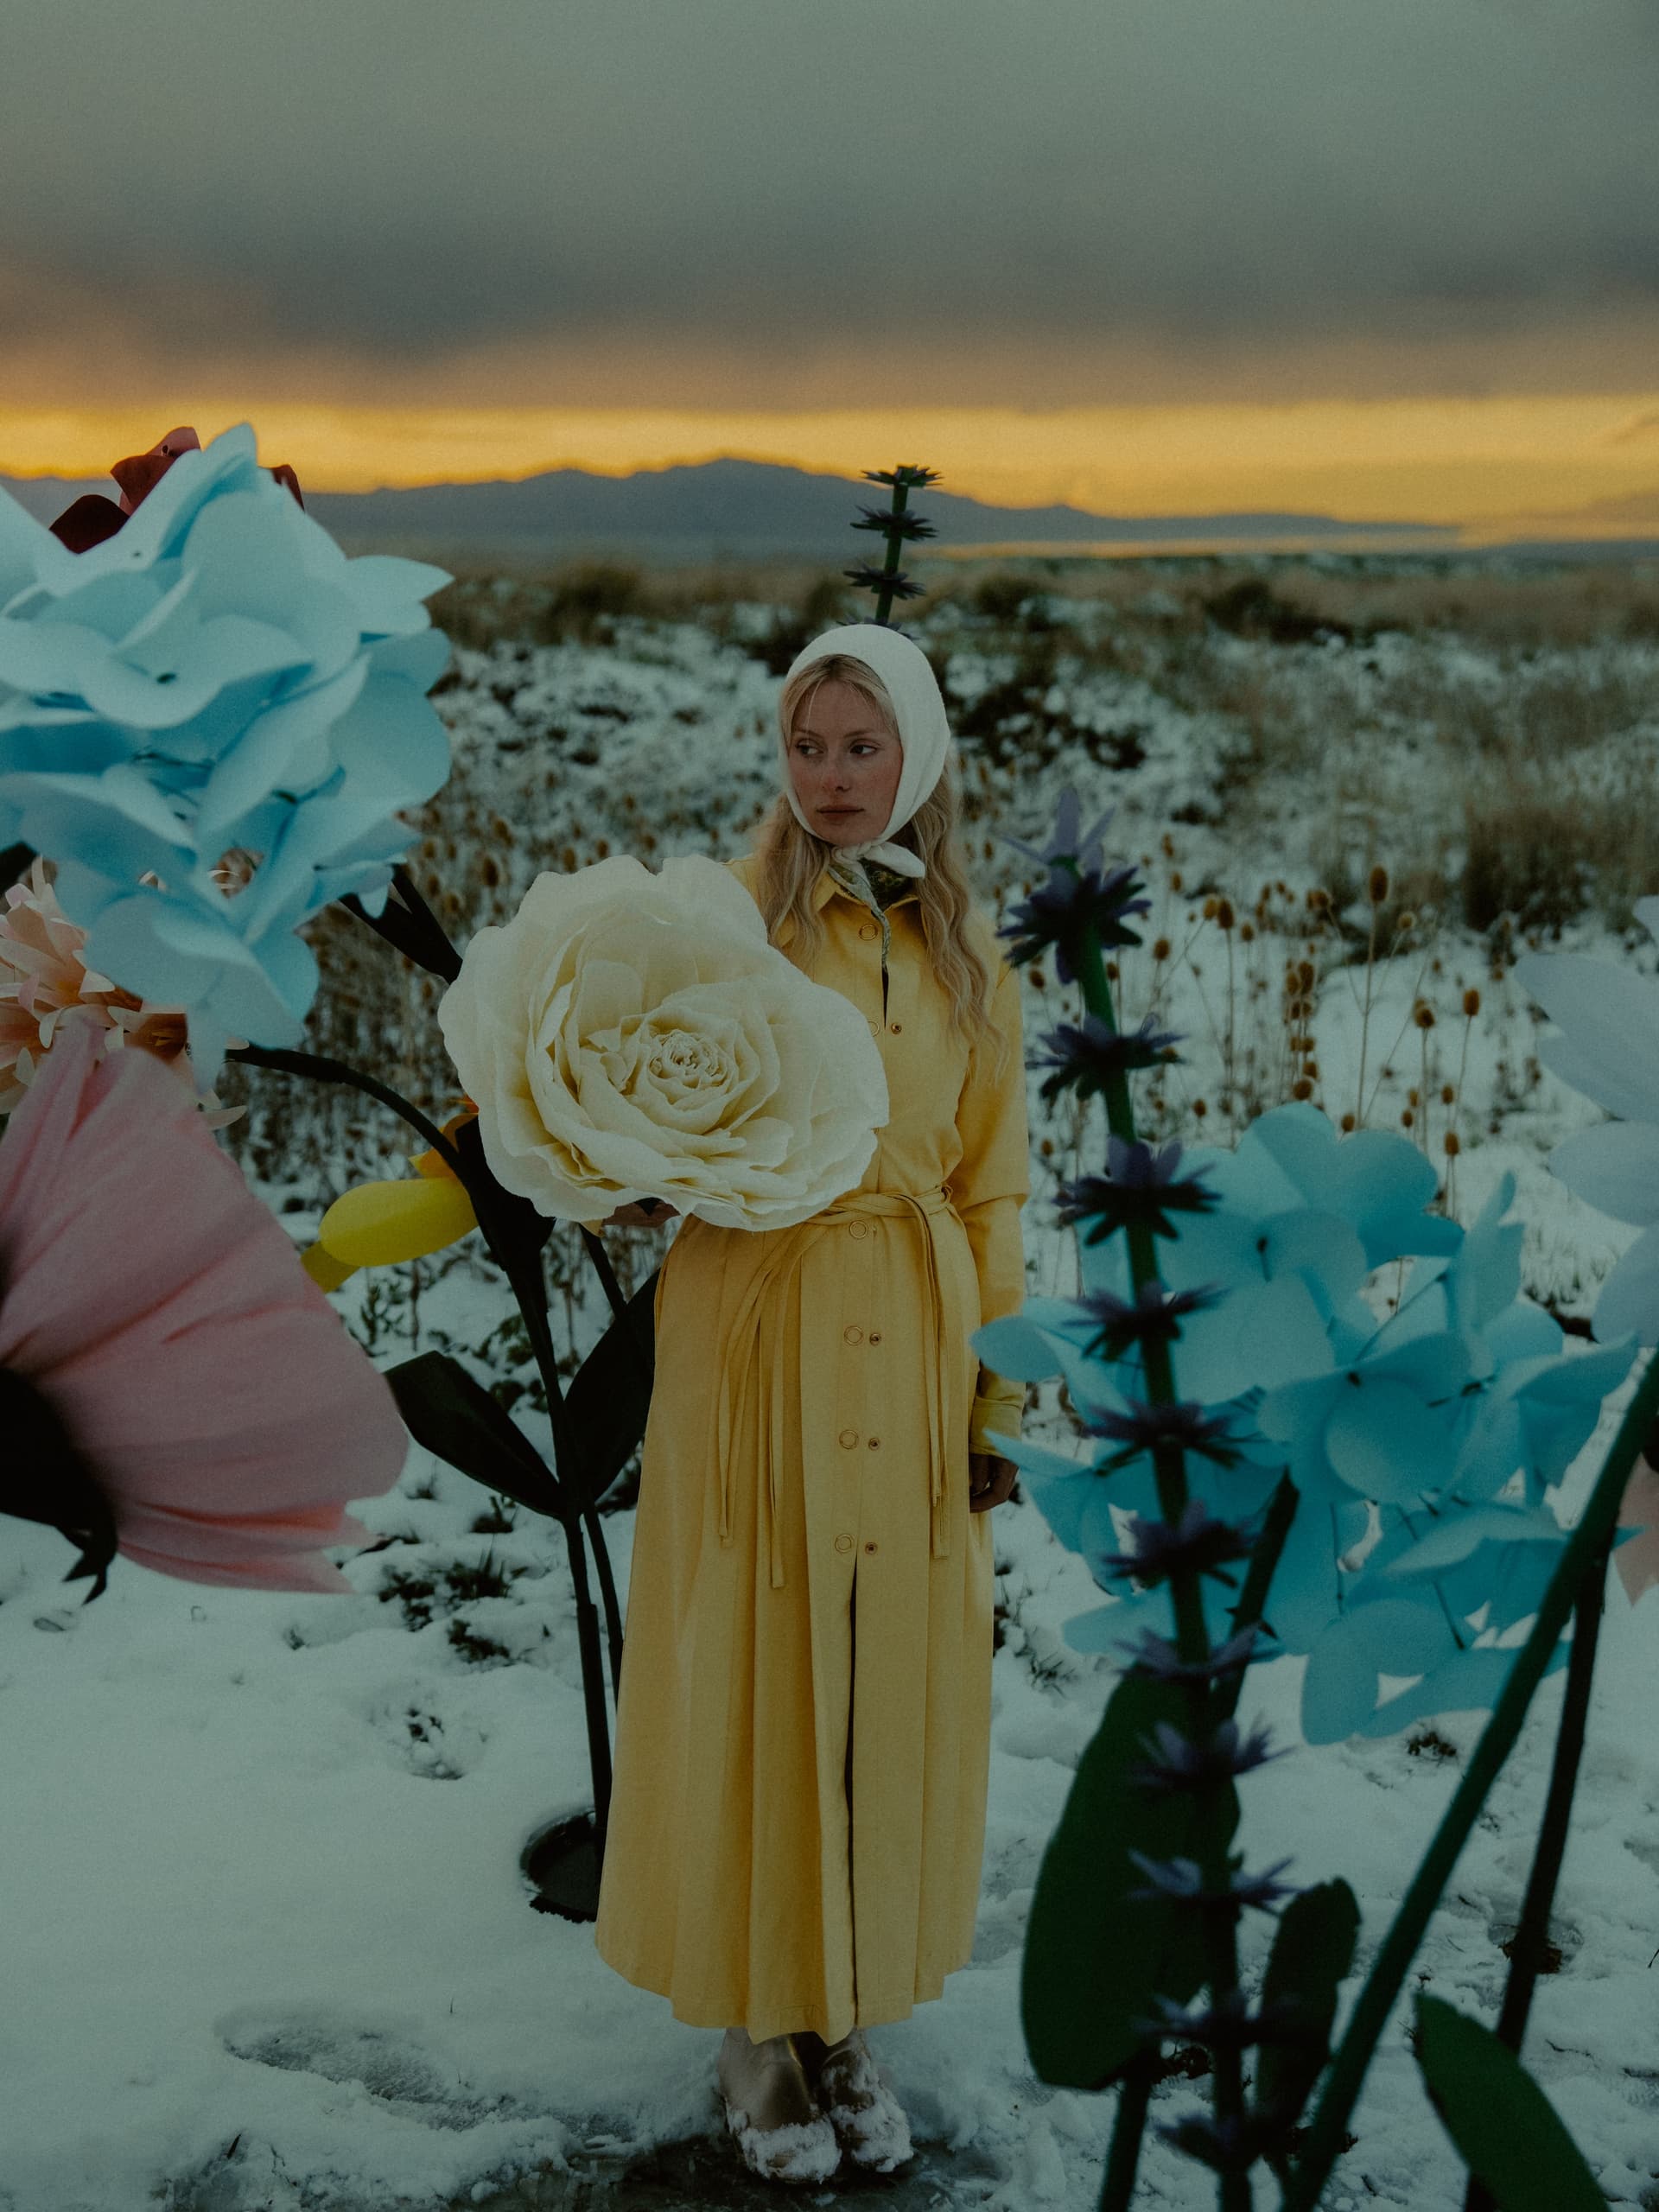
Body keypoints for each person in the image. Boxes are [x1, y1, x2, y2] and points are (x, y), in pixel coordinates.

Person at [593, 624, 1027, 2183]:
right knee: (756, 1651)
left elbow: (994, 1187)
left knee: (881, 1674)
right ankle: (753, 2020)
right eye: (807, 746)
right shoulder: (727, 922)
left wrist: (996, 1399)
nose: (833, 778)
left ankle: (842, 2009)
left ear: (919, 757)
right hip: (755, 1319)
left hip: (912, 1325)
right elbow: (639, 1091)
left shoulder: (972, 956)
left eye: (863, 746)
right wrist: (628, 1166)